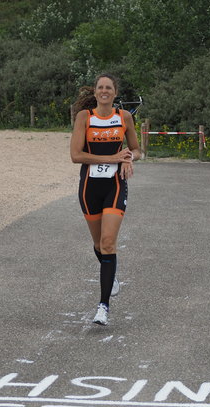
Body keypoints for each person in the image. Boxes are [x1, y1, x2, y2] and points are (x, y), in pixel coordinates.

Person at [69, 73, 139, 326]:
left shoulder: (125, 117)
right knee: (99, 245)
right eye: (100, 87)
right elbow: (76, 156)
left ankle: (103, 307)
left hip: (115, 185)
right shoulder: (84, 117)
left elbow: (137, 149)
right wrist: (111, 159)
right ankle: (111, 274)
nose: (104, 91)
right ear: (96, 92)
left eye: (109, 87)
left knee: (109, 243)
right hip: (89, 187)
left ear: (115, 92)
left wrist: (130, 158)